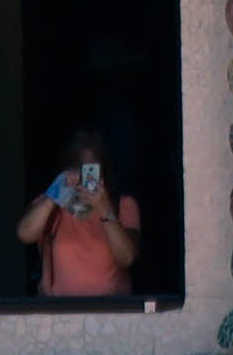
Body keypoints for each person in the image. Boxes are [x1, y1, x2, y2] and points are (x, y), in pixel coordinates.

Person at [14, 125, 141, 299]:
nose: (83, 177)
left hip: (111, 313)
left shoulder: (123, 204)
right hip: (58, 313)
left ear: (103, 172)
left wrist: (104, 209)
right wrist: (56, 192)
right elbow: (24, 234)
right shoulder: (50, 202)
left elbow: (127, 257)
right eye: (78, 168)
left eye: (90, 170)